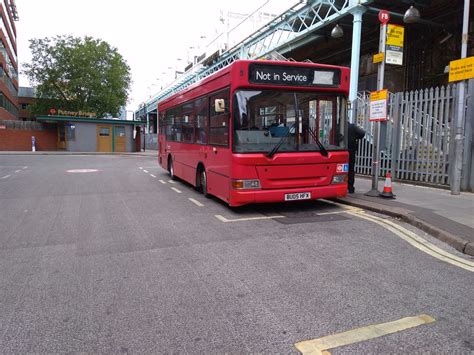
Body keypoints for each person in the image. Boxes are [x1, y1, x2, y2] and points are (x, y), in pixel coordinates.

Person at [347, 123, 366, 193]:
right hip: (351, 151)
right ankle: (350, 187)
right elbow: (362, 133)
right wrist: (355, 137)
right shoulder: (352, 127)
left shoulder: (335, 126)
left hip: (339, 151)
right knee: (350, 170)